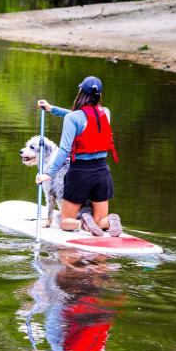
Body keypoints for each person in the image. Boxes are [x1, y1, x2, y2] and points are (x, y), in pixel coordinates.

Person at [36, 75, 122, 237]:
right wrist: (52, 109)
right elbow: (86, 116)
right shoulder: (106, 113)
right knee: (100, 220)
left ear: (80, 93)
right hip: (103, 173)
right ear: (99, 95)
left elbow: (63, 149)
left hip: (80, 174)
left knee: (65, 221)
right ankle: (110, 221)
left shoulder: (72, 118)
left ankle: (82, 222)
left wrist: (48, 174)